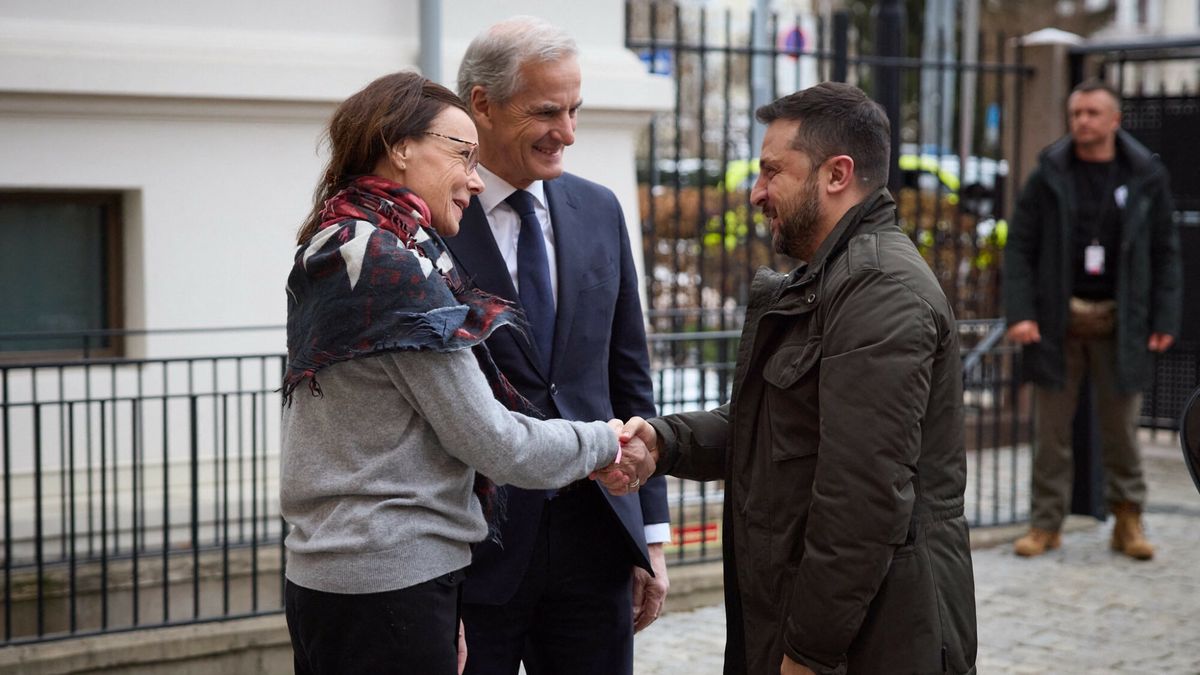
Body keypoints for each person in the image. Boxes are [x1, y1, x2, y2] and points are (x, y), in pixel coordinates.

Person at [279, 71, 643, 675]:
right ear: (399, 147)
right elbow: (495, 442)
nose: (476, 179)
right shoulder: (395, 270)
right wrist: (611, 441)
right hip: (393, 581)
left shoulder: (333, 242)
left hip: (327, 573)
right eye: (462, 155)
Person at [616, 82, 978, 674]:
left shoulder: (879, 288)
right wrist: (666, 442)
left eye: (771, 172)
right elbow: (779, 426)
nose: (757, 192)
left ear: (836, 174)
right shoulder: (834, 278)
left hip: (877, 639)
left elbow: (860, 499)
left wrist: (808, 653)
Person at [444, 16, 670, 675]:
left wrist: (648, 536)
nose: (568, 132)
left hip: (596, 540)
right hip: (473, 551)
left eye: (575, 110)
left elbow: (630, 378)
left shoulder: (598, 209)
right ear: (482, 105)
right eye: (547, 111)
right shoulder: (429, 223)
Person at [1003, 79, 1182, 560]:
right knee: (1051, 433)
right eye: (1076, 112)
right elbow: (1019, 245)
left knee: (1121, 430)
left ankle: (1128, 522)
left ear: (1114, 120)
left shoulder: (1145, 174)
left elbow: (1166, 251)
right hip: (1056, 321)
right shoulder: (1049, 172)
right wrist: (1020, 312)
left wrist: (1164, 316)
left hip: (1123, 322)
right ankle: (1046, 524)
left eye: (1092, 113)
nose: (1082, 120)